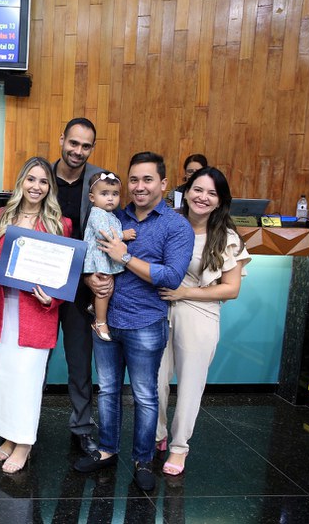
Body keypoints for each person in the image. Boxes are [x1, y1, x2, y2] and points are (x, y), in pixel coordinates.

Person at [75, 151, 194, 493]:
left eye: (148, 180)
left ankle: (143, 460)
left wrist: (124, 257)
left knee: (144, 395)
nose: (139, 187)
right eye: (134, 180)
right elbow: (90, 254)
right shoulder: (113, 214)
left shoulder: (176, 226)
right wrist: (89, 279)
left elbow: (171, 277)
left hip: (145, 323)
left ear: (163, 183)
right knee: (108, 390)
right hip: (107, 320)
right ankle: (107, 449)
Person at [156, 166, 251, 476]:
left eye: (212, 193)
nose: (203, 197)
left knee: (190, 384)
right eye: (198, 189)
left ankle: (179, 447)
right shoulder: (168, 222)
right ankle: (157, 433)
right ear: (186, 192)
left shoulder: (226, 236)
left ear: (220, 200)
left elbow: (231, 289)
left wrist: (186, 292)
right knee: (153, 381)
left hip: (199, 313)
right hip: (158, 311)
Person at [0, 157, 72, 474]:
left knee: (27, 380)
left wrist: (53, 298)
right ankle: (10, 435)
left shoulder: (60, 224)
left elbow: (65, 275)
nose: (36, 186)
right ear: (21, 182)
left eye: (43, 181)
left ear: (50, 188)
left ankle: (24, 443)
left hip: (36, 311)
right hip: (2, 309)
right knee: (4, 377)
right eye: (31, 179)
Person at [49, 118, 106, 456]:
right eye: (73, 143)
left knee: (80, 363)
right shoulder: (41, 175)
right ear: (62, 139)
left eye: (86, 146)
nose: (78, 151)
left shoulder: (100, 180)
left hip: (81, 288)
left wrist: (92, 274)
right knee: (33, 362)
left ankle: (82, 427)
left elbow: (107, 229)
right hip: (40, 287)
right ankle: (21, 428)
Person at [82, 171, 136, 341]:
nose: (110, 198)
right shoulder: (97, 213)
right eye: (104, 194)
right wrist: (123, 235)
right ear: (92, 197)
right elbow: (102, 233)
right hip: (99, 257)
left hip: (104, 255)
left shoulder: (108, 214)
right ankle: (100, 323)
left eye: (115, 194)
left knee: (105, 288)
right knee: (105, 289)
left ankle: (94, 307)